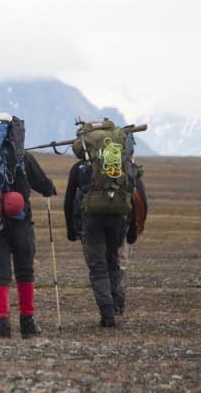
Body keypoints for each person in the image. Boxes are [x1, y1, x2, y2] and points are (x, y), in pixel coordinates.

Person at [0, 112, 57, 339]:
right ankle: (27, 323)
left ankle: (2, 324)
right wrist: (49, 189)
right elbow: (44, 185)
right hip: (20, 221)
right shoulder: (21, 156)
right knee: (24, 271)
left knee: (0, 274)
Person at [63, 126, 142, 327]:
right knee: (112, 261)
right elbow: (131, 198)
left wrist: (71, 230)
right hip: (118, 220)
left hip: (91, 221)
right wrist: (132, 228)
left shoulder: (80, 169)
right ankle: (114, 306)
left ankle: (107, 314)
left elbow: (68, 200)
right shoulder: (122, 167)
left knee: (98, 266)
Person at [115, 173, 147, 316]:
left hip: (100, 225)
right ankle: (118, 305)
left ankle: (106, 306)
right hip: (126, 224)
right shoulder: (131, 173)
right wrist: (136, 229)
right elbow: (142, 204)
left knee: (105, 262)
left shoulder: (96, 169)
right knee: (121, 263)